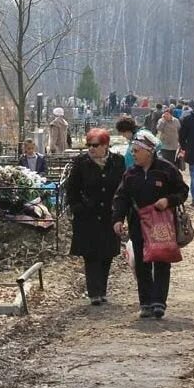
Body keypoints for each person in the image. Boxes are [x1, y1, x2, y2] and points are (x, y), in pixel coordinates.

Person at [112, 131, 189, 319]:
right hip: (138, 223)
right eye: (133, 151)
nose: (134, 154)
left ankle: (159, 301)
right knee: (141, 262)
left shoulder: (166, 170)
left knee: (162, 260)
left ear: (149, 151)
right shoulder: (130, 174)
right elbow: (121, 197)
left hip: (162, 223)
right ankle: (145, 302)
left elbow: (182, 191)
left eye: (137, 151)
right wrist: (118, 219)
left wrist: (168, 200)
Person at [65, 128, 126, 305]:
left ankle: (102, 289)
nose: (91, 149)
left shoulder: (117, 161)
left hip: (109, 215)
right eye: (89, 145)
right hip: (88, 216)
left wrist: (120, 211)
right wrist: (77, 207)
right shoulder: (81, 162)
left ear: (105, 145)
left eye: (95, 145)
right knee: (91, 255)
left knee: (107, 253)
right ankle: (94, 292)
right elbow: (72, 189)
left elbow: (122, 187)